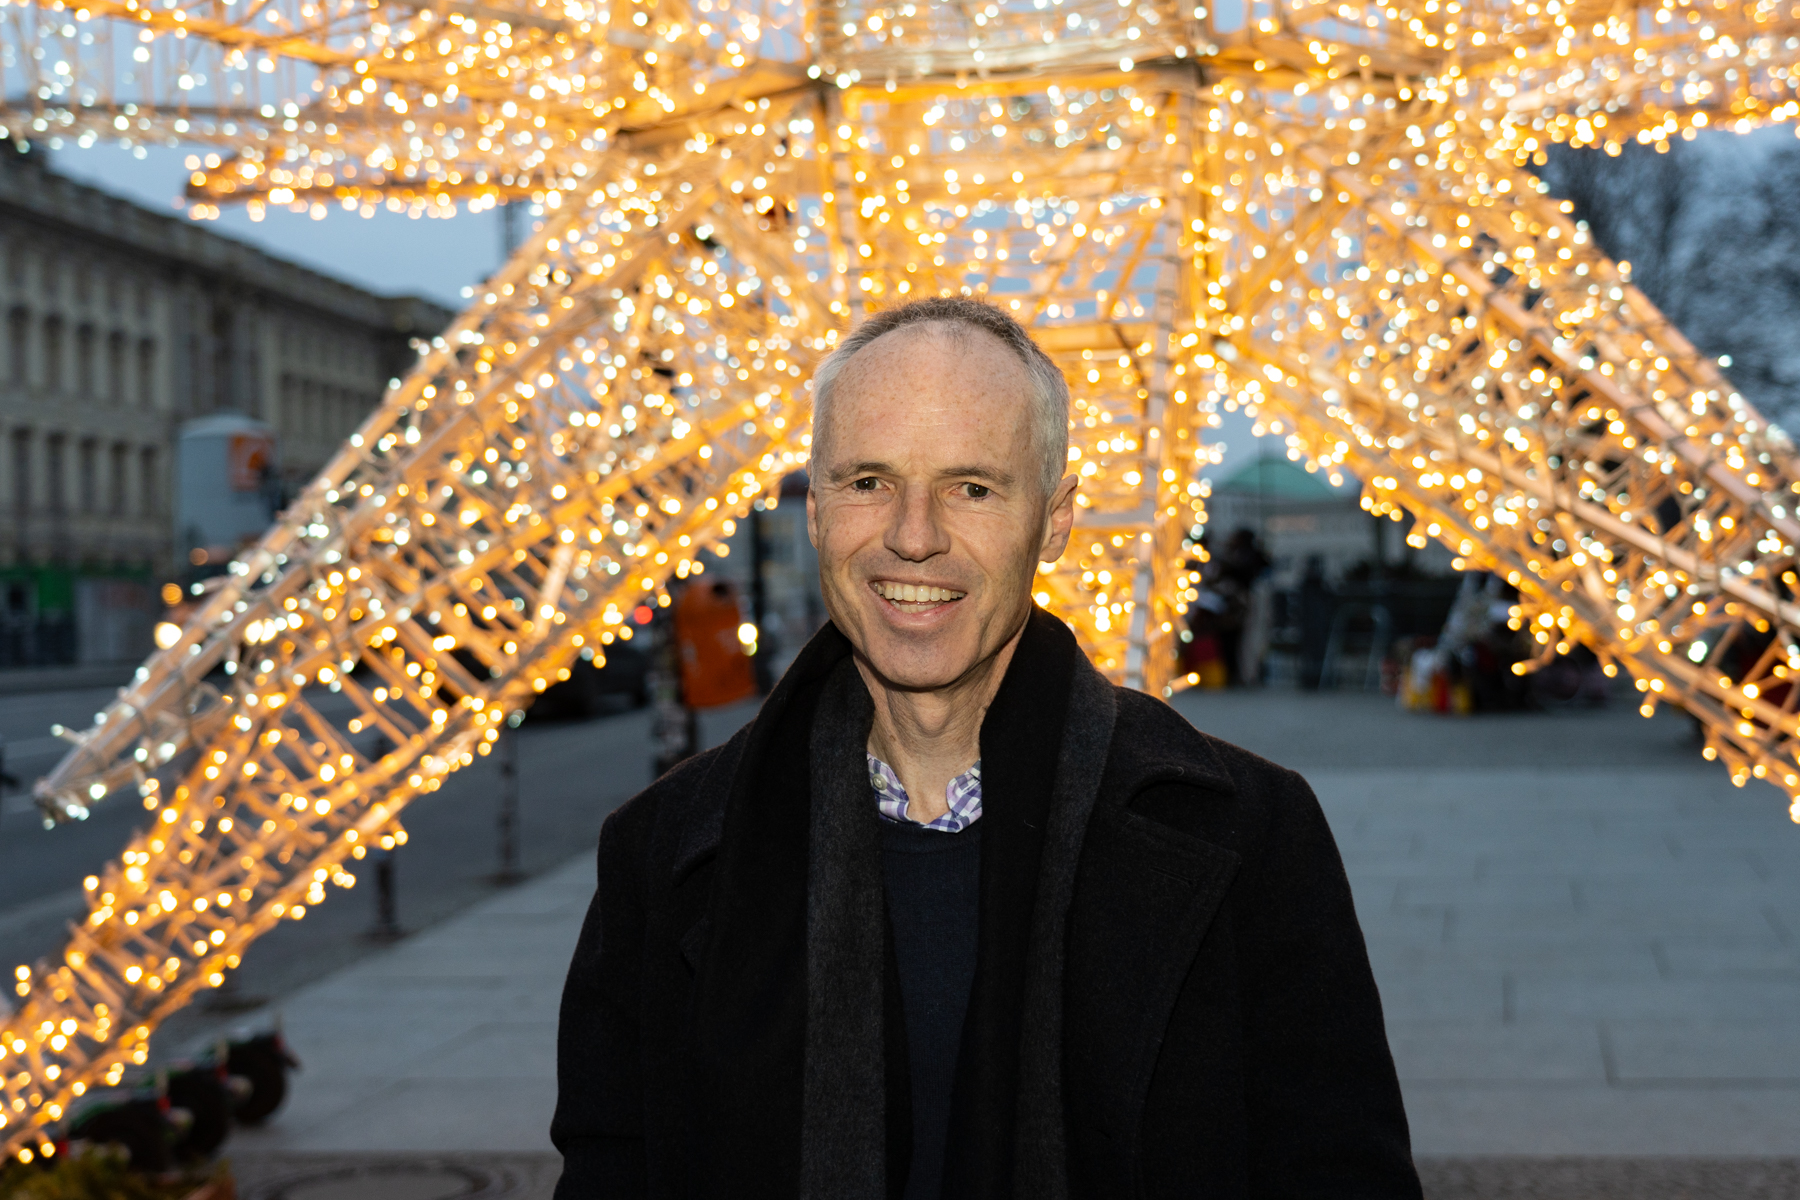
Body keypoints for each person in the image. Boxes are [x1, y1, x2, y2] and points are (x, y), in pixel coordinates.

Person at [550, 297, 1423, 1199]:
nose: (915, 536)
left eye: (972, 487)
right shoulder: (661, 853)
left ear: (1054, 520)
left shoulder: (1253, 836)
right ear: (816, 511)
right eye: (868, 482)